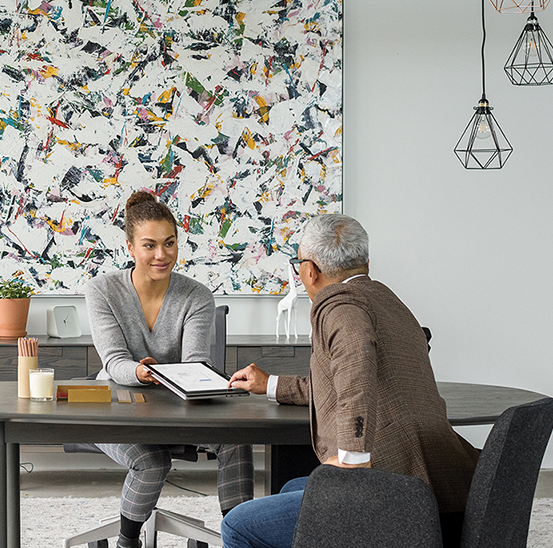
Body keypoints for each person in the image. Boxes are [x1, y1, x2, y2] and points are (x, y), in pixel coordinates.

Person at [221, 214, 481, 548]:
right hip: (437, 485)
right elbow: (346, 377)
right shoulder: (386, 300)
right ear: (366, 262)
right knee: (291, 488)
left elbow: (356, 363)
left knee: (238, 526)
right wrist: (269, 384)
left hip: (394, 496)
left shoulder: (337, 303)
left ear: (310, 271)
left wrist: (353, 457)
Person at [86, 191, 253, 548]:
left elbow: (193, 365)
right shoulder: (102, 290)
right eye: (149, 245)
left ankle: (242, 538)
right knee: (152, 460)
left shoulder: (196, 296)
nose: (161, 255)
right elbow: (114, 362)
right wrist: (142, 373)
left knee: (236, 438)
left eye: (170, 243)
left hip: (178, 407)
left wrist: (171, 376)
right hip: (117, 408)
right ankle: (127, 541)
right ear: (130, 247)